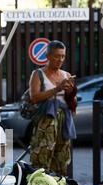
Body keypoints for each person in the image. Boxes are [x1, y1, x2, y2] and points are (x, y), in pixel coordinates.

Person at [29, 40, 77, 177]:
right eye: (56, 56)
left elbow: (71, 101)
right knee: (41, 157)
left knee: (62, 159)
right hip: (46, 122)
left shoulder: (66, 75)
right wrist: (57, 88)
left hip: (64, 121)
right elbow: (34, 98)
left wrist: (70, 92)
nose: (60, 59)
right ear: (48, 56)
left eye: (62, 56)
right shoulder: (38, 74)